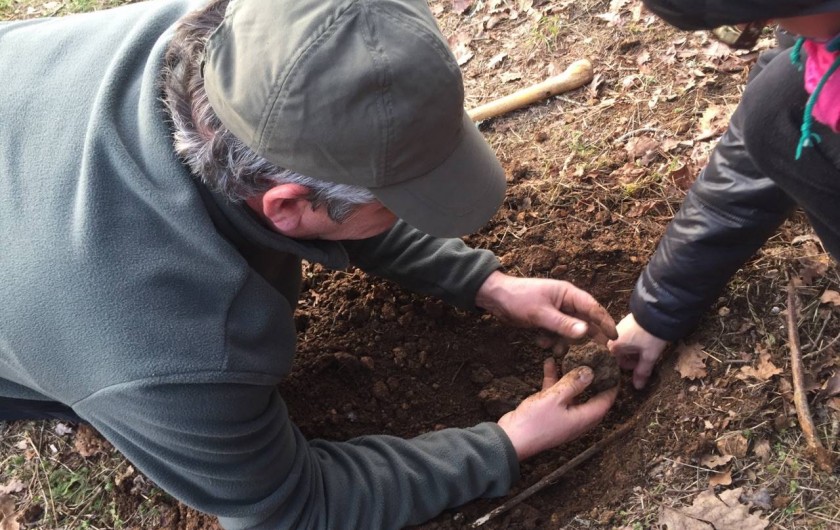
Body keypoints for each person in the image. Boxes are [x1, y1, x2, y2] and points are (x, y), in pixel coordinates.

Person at [0, 0, 619, 528]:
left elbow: (334, 195)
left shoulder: (250, 45)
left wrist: (484, 283)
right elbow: (291, 508)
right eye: (397, 204)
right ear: (289, 207)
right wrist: (506, 443)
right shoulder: (168, 348)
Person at [608, 0, 840, 389]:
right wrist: (658, 307)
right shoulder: (819, 34)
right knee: (778, 103)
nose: (773, 24)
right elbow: (768, 129)